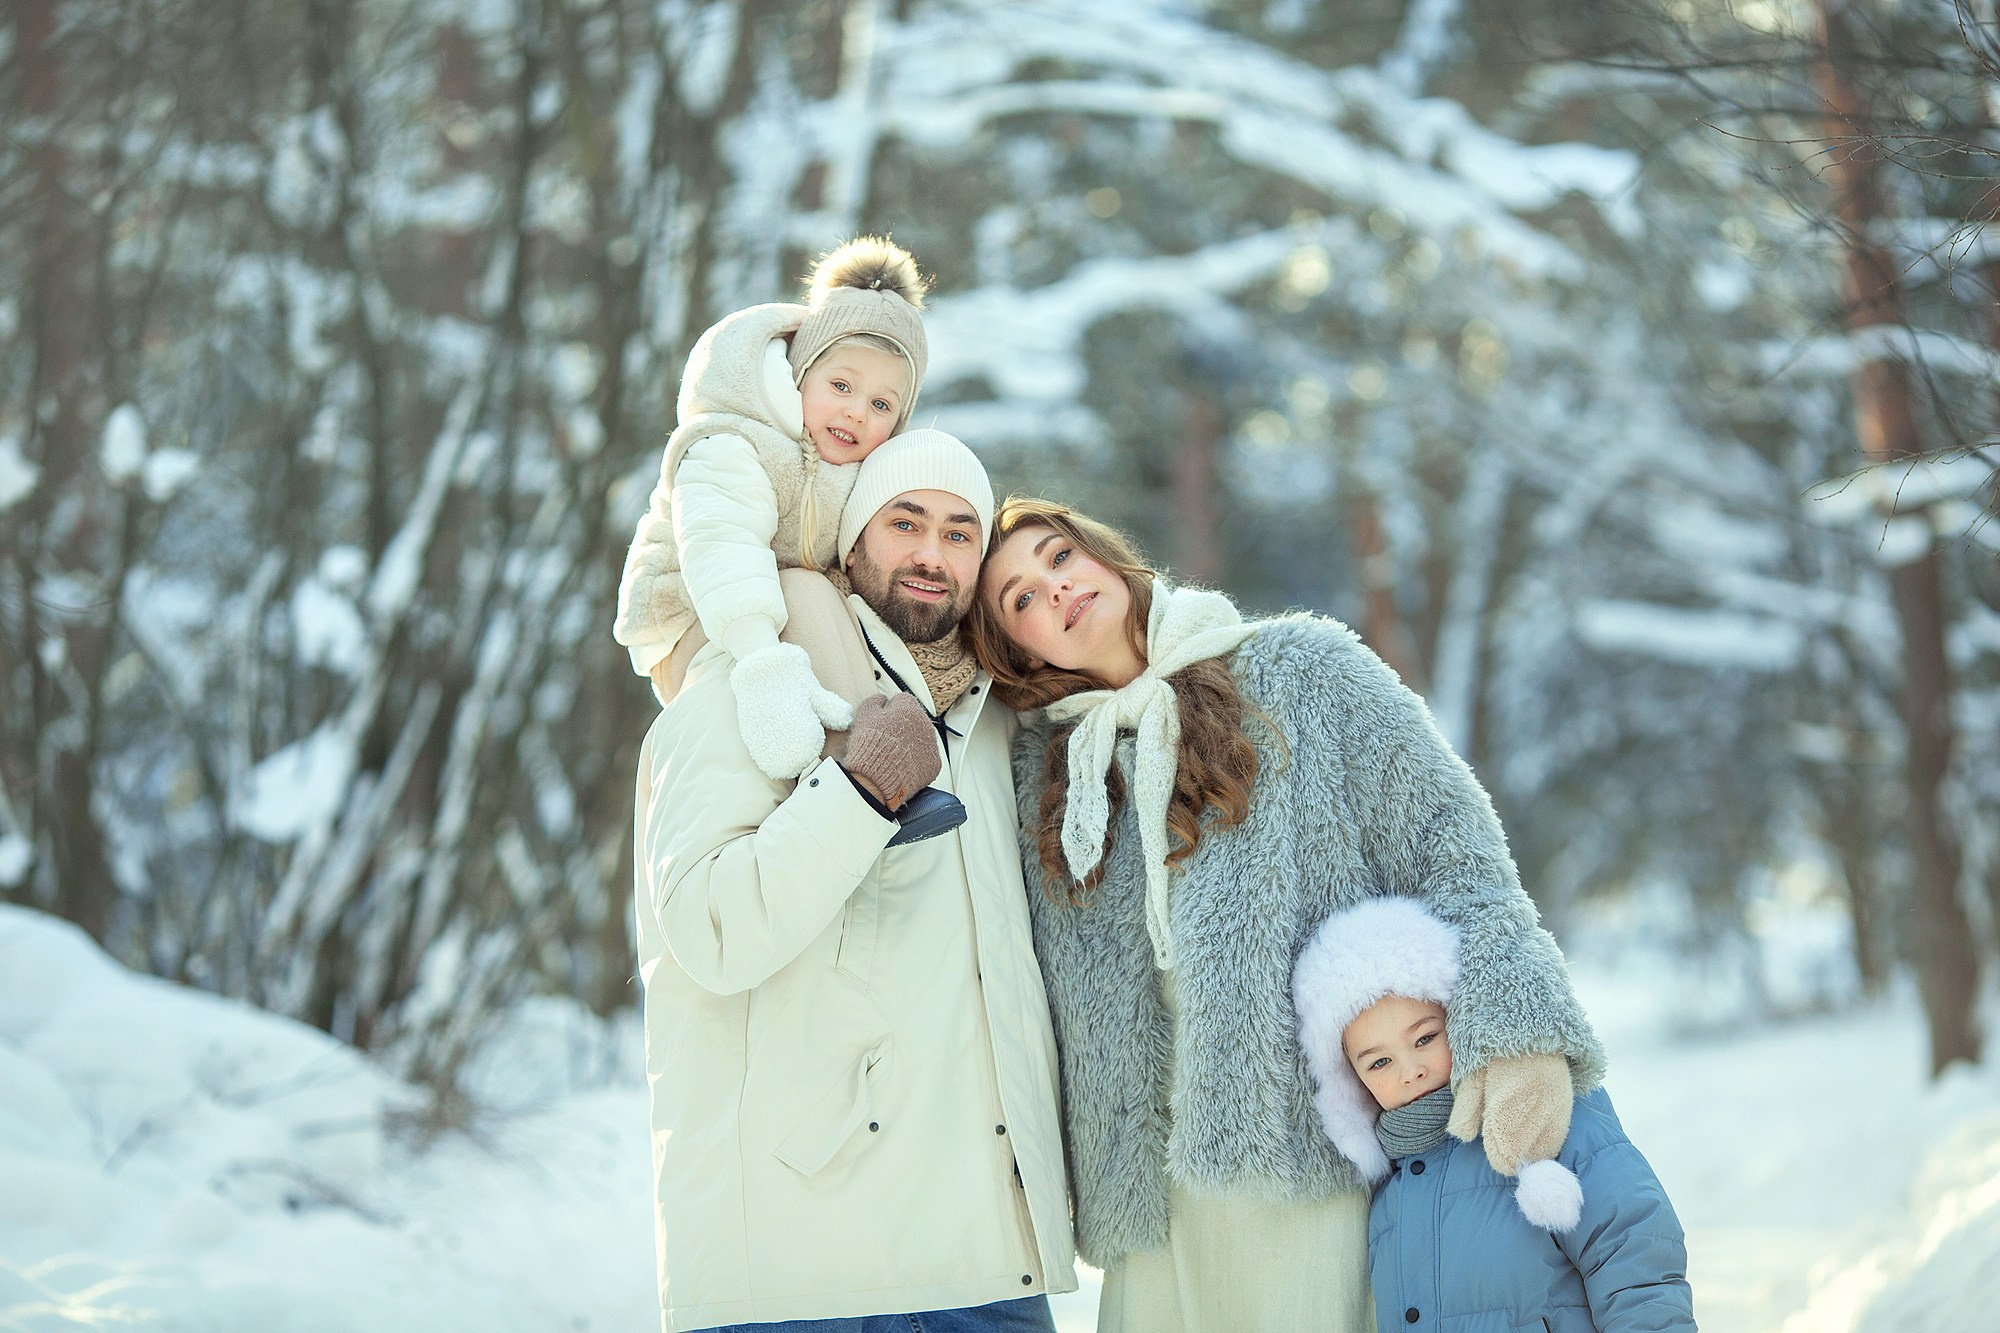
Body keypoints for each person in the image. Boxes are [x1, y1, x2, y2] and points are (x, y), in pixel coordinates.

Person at [962, 497, 1607, 1333]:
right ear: (1019, 649)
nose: (1054, 590)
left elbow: (1458, 853)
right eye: (1019, 599)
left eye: (1059, 558)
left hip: (1316, 1163)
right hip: (1156, 1208)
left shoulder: (1305, 671)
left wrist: (1518, 1035)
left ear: (1105, 556)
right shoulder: (1043, 776)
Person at [633, 432, 1075, 1333]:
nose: (930, 552)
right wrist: (861, 790)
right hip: (801, 1275)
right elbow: (710, 932)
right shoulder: (750, 685)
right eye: (904, 521)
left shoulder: (993, 723)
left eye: (960, 532)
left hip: (981, 1265)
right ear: (850, 540)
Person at [1293, 895, 1696, 1333]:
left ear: (1461, 1020)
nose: (1412, 1071)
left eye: (1425, 1038)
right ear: (1353, 1084)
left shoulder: (1542, 1113)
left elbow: (1633, 1251)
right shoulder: (1390, 1193)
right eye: (1379, 1062)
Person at [615, 237, 929, 781]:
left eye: (880, 404)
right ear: (798, 374)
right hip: (692, 621)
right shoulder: (733, 441)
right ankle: (862, 775)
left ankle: (897, 748)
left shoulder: (861, 473)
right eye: (840, 385)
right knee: (807, 588)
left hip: (784, 627)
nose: (856, 412)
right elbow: (722, 542)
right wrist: (763, 662)